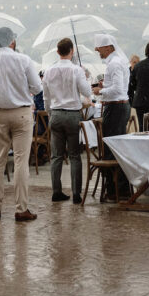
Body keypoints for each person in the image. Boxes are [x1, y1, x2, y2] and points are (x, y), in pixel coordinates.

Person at [0, 26, 42, 222]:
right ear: (12, 42)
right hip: (21, 113)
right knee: (22, 161)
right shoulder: (23, 60)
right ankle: (21, 208)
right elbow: (37, 88)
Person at [42, 37, 93, 203]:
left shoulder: (49, 71)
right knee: (74, 155)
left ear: (57, 52)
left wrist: (50, 112)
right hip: (72, 114)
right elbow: (86, 92)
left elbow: (46, 97)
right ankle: (76, 194)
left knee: (56, 156)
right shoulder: (76, 70)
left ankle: (56, 191)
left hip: (55, 114)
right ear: (72, 51)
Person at [93, 33, 131, 201]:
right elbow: (118, 87)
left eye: (99, 48)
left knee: (111, 149)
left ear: (108, 47)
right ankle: (118, 188)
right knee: (116, 148)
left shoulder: (114, 64)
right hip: (119, 106)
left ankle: (115, 190)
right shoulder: (118, 62)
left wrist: (99, 91)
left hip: (115, 107)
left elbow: (117, 89)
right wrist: (105, 86)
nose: (97, 51)